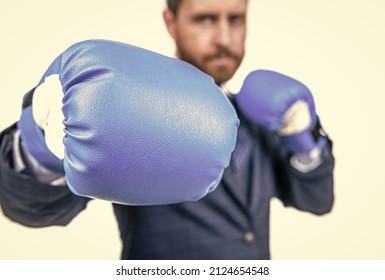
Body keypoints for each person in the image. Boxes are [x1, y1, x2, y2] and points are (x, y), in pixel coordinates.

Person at [0, 0, 334, 259]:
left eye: (236, 19)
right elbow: (31, 210)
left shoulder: (260, 116)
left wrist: (302, 137)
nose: (224, 38)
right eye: (204, 19)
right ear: (171, 23)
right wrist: (40, 145)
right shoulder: (127, 101)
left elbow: (317, 202)